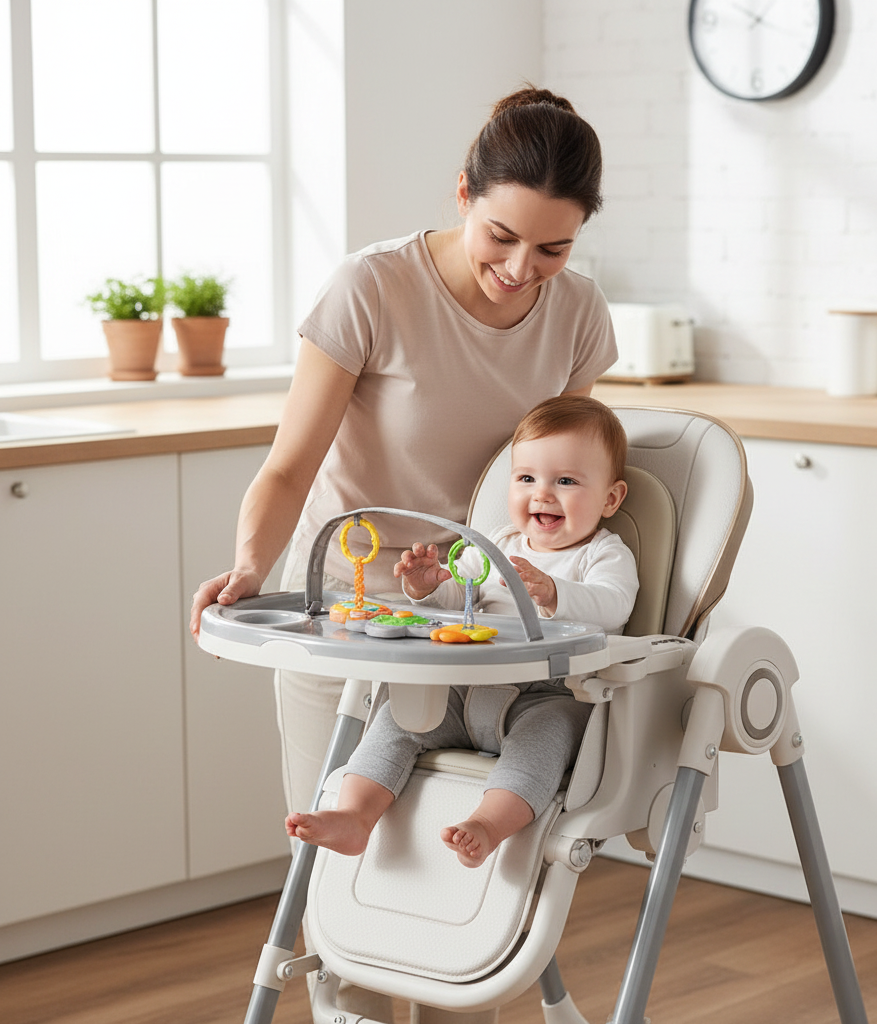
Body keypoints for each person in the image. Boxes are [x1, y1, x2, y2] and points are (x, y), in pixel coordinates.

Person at [189, 84, 613, 1022]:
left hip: (478, 630)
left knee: (464, 889)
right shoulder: (373, 286)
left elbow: (562, 470)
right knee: (352, 885)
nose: (522, 268)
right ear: (464, 192)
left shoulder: (576, 312)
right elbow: (290, 466)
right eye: (501, 235)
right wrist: (253, 569)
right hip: (352, 614)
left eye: (554, 247)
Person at [285, 396, 638, 866]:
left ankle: (488, 824)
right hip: (465, 693)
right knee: (397, 717)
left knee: (549, 738)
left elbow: (615, 606)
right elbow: (458, 601)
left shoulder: (603, 555)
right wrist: (428, 587)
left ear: (611, 498)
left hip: (547, 695)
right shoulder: (492, 547)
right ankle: (354, 815)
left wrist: (555, 592)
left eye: (566, 481)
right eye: (527, 478)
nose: (543, 494)